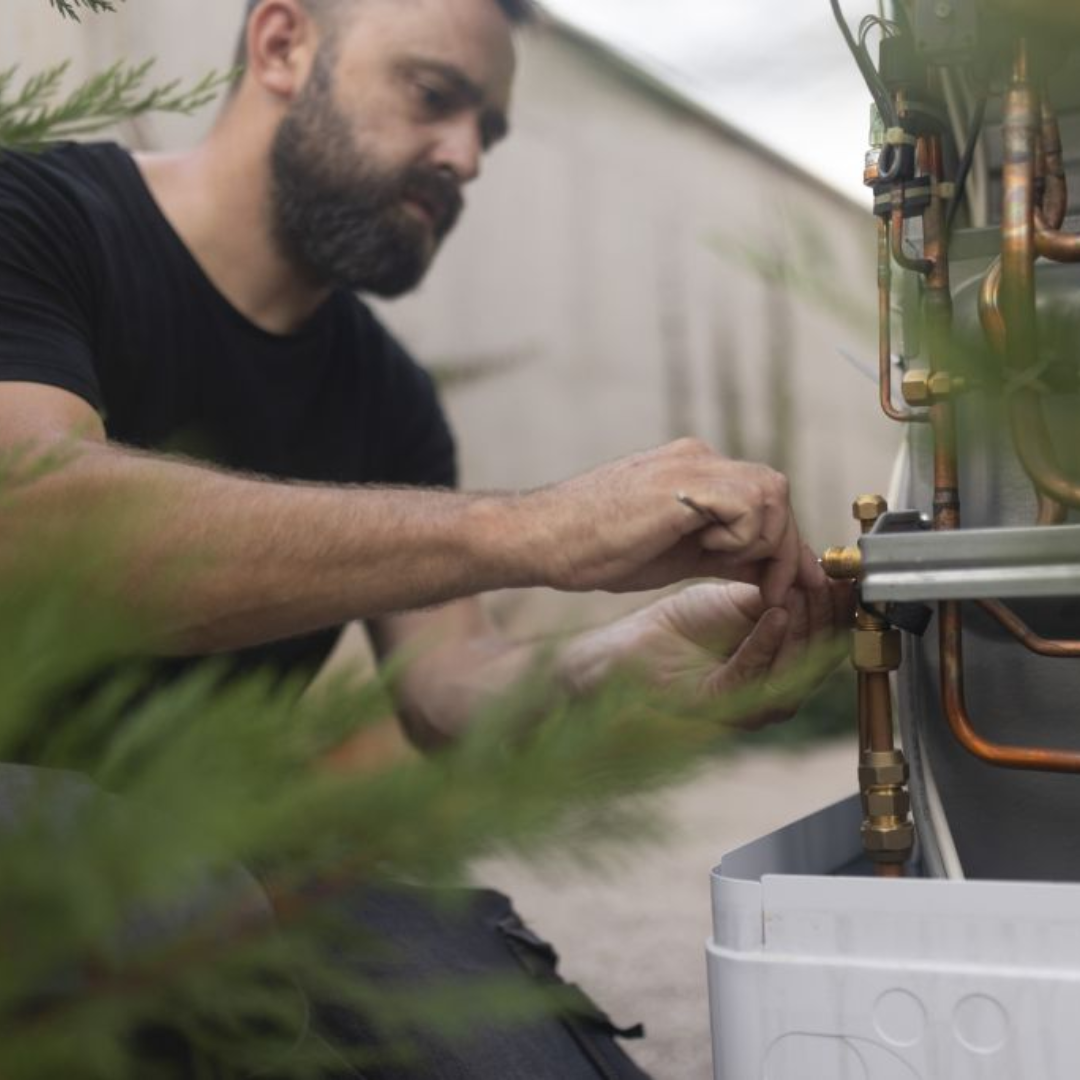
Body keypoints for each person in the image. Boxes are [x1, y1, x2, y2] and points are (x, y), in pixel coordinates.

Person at [0, 0, 844, 1074]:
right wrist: (530, 528)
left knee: (504, 1029)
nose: (466, 159)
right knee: (158, 902)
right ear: (282, 45)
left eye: (485, 131)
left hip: (203, 850)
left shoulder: (386, 395)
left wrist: (626, 666)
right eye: (434, 97)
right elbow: (32, 521)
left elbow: (450, 688)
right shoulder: (34, 211)